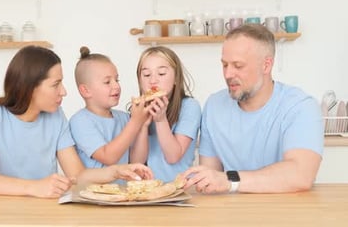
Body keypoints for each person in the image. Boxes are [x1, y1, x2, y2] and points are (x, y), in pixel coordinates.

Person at [0, 45, 153, 198]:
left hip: (42, 209)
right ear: (30, 87)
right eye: (56, 84)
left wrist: (116, 172)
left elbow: (77, 175)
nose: (63, 91)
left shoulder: (55, 116)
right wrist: (34, 187)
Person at [180, 24, 324, 194]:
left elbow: (301, 175)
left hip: (286, 214)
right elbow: (210, 178)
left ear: (266, 65)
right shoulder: (214, 106)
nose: (227, 74)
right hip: (230, 214)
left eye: (238, 66)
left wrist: (229, 179)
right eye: (225, 65)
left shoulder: (300, 107)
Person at [70, 46, 152, 168]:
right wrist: (135, 122)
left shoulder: (124, 118)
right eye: (107, 82)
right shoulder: (80, 121)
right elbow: (107, 157)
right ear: (85, 90)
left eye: (117, 80)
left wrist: (143, 125)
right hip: (91, 188)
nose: (116, 86)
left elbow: (136, 161)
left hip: (123, 188)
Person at [130, 46, 201, 183]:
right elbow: (136, 163)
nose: (153, 80)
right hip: (147, 189)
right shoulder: (137, 109)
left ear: (176, 79)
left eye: (161, 73)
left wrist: (160, 120)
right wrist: (142, 125)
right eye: (146, 75)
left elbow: (173, 156)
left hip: (178, 188)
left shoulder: (189, 107)